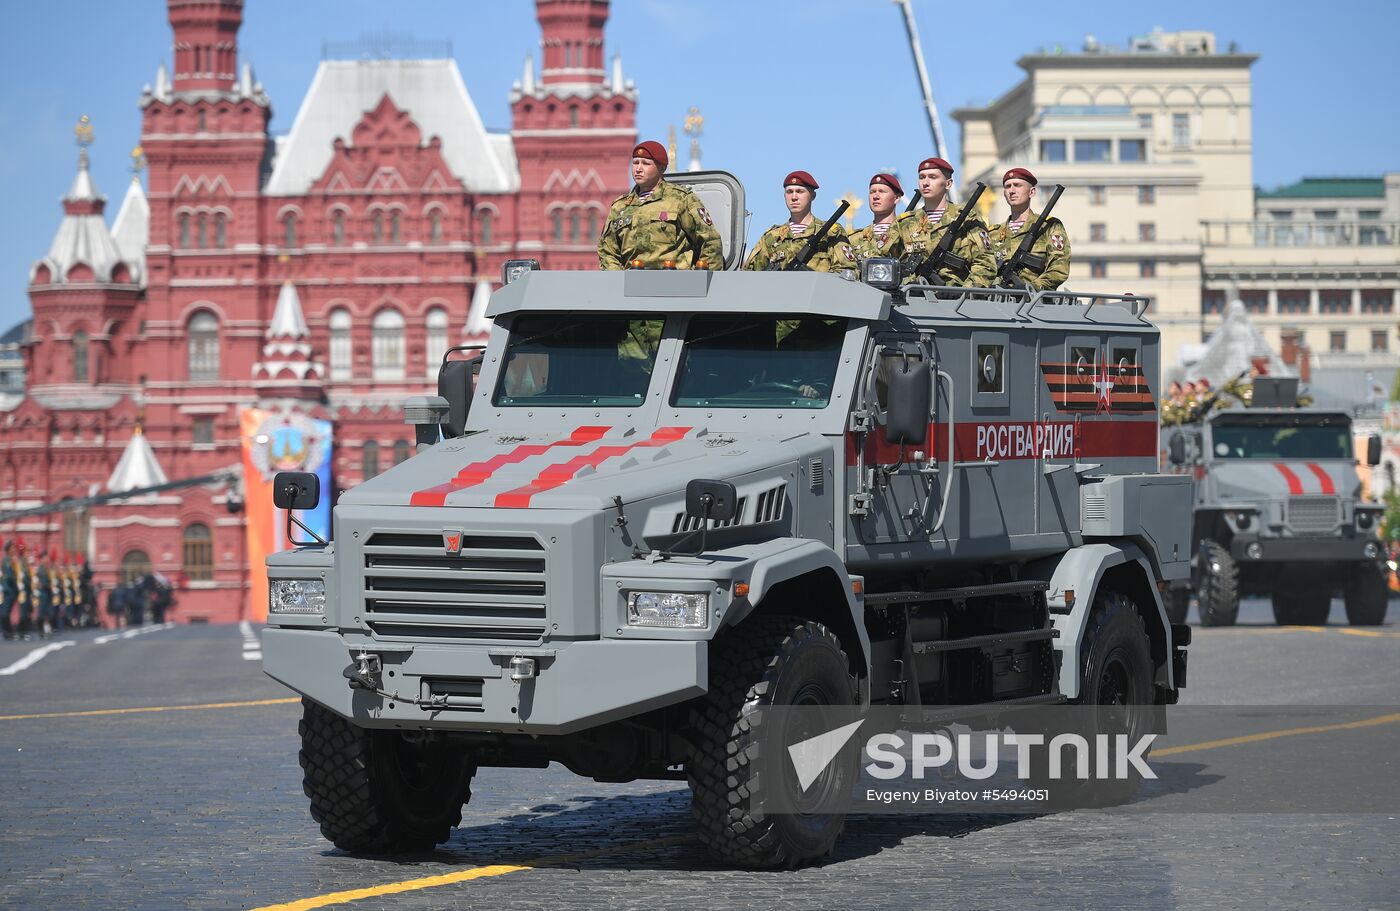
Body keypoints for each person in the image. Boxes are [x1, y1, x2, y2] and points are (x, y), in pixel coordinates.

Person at [598, 141, 724, 271]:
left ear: (662, 168)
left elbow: (710, 241)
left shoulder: (681, 199)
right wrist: (617, 281)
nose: (638, 169)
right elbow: (607, 250)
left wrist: (702, 283)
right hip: (631, 285)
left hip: (675, 285)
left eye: (646, 163)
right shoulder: (620, 207)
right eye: (635, 163)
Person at [898, 157, 996, 287]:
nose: (925, 183)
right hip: (913, 297)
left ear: (948, 184)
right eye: (922, 177)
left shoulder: (968, 219)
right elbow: (885, 261)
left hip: (956, 301)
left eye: (932, 177)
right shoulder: (905, 223)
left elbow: (986, 264)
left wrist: (964, 292)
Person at [744, 171, 855, 272]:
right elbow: (750, 275)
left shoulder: (831, 232)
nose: (794, 197)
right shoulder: (771, 237)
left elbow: (847, 272)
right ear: (784, 196)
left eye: (800, 191)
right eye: (789, 192)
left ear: (813, 196)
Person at [988, 167, 1070, 290]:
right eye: (1007, 186)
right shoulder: (994, 233)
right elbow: (982, 267)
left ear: (1031, 192)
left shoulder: (1049, 227)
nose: (1012, 190)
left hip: (1035, 302)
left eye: (1017, 185)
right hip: (997, 300)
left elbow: (1059, 268)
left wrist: (1030, 288)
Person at [847, 173, 906, 266]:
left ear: (897, 198)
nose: (875, 196)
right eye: (872, 192)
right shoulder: (854, 239)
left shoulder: (906, 232)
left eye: (882, 191)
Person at [1, 540, 16, 639]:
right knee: (5, 612)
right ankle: (7, 632)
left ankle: (8, 632)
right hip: (8, 589)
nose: (14, 550)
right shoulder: (7, 561)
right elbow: (9, 576)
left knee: (7, 611)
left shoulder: (9, 560)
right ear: (8, 550)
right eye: (12, 548)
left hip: (10, 589)